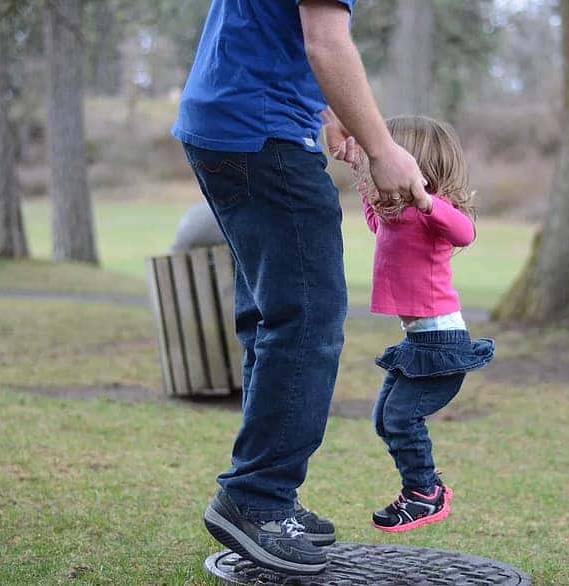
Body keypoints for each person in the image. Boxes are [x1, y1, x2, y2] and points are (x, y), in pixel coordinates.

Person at [171, 0, 428, 576]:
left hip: (226, 124)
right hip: (263, 134)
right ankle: (257, 498)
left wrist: (330, 109)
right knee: (307, 319)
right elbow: (325, 42)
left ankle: (265, 495)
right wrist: (383, 149)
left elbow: (278, 32)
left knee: (273, 314)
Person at [326, 115, 495, 533]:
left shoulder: (434, 215)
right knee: (384, 419)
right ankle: (424, 487)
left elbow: (466, 233)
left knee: (401, 419)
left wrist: (424, 198)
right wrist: (360, 172)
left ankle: (424, 493)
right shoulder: (397, 218)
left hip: (443, 343)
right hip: (421, 343)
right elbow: (373, 219)